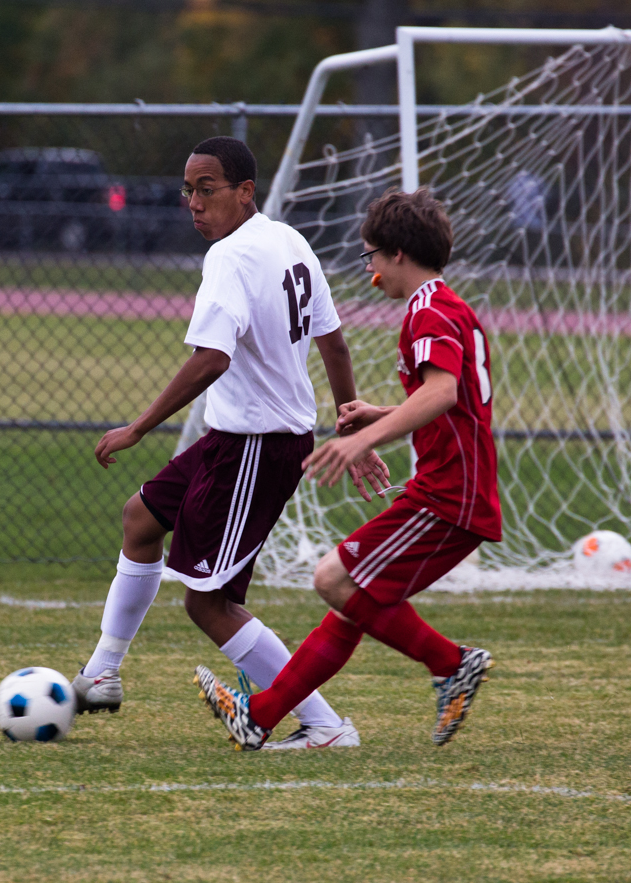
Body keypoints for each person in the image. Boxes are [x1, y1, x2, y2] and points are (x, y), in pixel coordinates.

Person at [76, 136, 389, 749]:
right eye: (188, 191)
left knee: (208, 603)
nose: (194, 202)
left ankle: (325, 725)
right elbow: (335, 344)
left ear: (245, 192)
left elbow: (212, 358)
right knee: (141, 517)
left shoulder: (231, 256)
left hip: (257, 444)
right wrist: (350, 423)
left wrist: (138, 427)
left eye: (208, 189)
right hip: (239, 437)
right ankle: (103, 672)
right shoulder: (290, 241)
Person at [195, 188, 502, 751]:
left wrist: (366, 440)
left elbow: (441, 392)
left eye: (371, 258)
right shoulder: (450, 305)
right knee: (355, 605)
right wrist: (382, 412)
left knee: (332, 579)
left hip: (447, 495)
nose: (370, 272)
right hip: (459, 492)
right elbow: (459, 401)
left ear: (398, 255)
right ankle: (260, 716)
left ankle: (451, 662)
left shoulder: (426, 312)